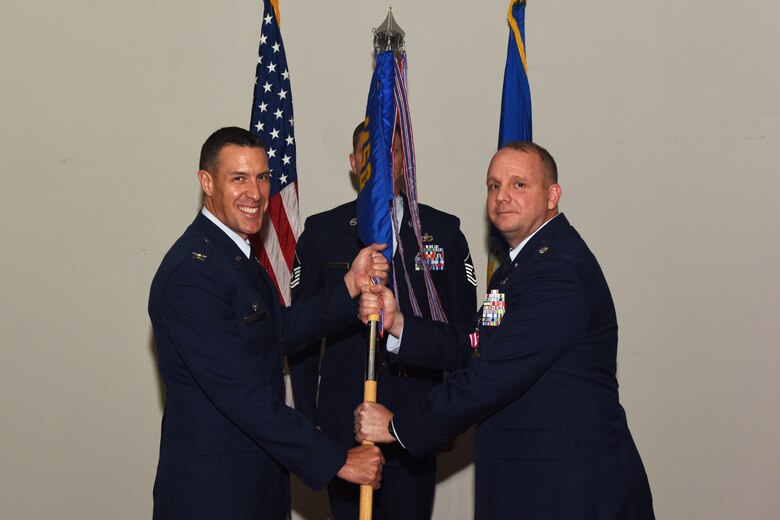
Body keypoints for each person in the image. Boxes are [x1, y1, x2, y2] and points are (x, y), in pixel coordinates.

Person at [355, 142, 655, 519]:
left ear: (552, 195)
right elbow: (477, 345)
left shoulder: (557, 270)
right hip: (532, 484)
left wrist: (398, 426)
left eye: (519, 185)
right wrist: (398, 323)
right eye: (493, 185)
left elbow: (491, 375)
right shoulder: (519, 267)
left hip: (569, 490)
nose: (502, 197)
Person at [148, 127, 387, 520]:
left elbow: (277, 332)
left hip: (257, 482)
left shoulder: (237, 256)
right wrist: (337, 460)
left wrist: (349, 286)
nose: (256, 193)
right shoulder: (191, 274)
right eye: (238, 178)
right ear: (206, 182)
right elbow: (240, 393)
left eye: (262, 177)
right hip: (213, 494)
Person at [288, 121, 477, 519]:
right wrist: (309, 423)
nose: (380, 160)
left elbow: (466, 338)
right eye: (368, 152)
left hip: (416, 422)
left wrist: (449, 423)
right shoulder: (321, 233)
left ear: (404, 159)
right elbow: (300, 339)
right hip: (342, 430)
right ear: (354, 162)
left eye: (390, 151)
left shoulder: (443, 232)